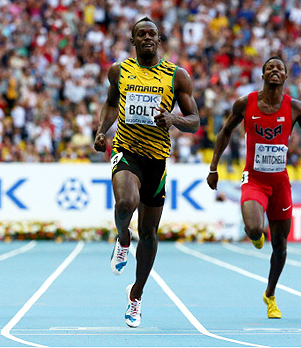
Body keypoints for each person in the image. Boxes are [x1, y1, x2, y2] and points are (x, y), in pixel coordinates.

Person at [206, 57, 301, 319]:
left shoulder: (294, 108)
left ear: (285, 77)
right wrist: (213, 167)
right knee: (254, 228)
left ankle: (270, 294)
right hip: (254, 179)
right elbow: (224, 132)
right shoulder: (245, 103)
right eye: (270, 67)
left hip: (280, 182)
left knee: (280, 244)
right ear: (262, 74)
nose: (274, 70)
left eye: (279, 68)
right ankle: (256, 233)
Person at [94, 17, 200, 328]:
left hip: (157, 161)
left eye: (152, 33)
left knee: (151, 234)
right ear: (133, 40)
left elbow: (194, 120)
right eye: (141, 34)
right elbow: (111, 104)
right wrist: (102, 131)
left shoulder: (177, 76)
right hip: (127, 152)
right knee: (126, 202)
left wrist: (174, 120)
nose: (147, 38)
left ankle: (136, 295)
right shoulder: (120, 71)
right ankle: (123, 238)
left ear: (158, 39)